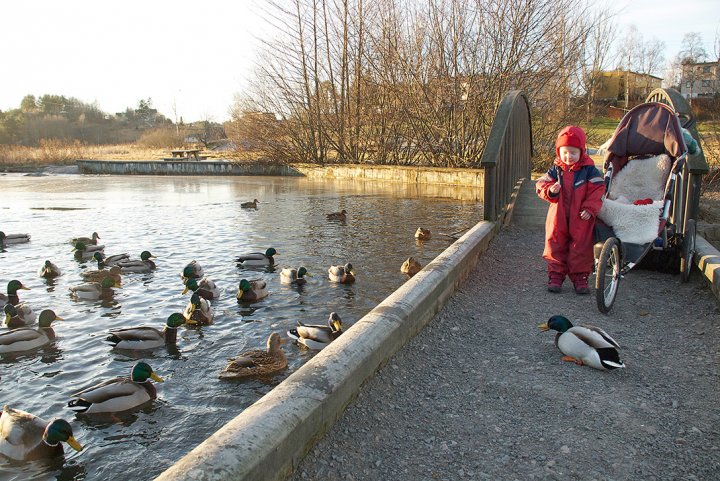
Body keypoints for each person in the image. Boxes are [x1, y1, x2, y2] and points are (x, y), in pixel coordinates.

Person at [536, 126, 604, 294]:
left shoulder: (589, 171)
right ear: (559, 152)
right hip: (558, 214)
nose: (568, 157)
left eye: (573, 153)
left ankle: (580, 276)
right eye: (565, 152)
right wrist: (550, 190)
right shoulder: (555, 170)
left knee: (581, 244)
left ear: (582, 152)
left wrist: (590, 208)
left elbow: (598, 190)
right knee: (555, 242)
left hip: (581, 215)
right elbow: (540, 184)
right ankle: (556, 274)